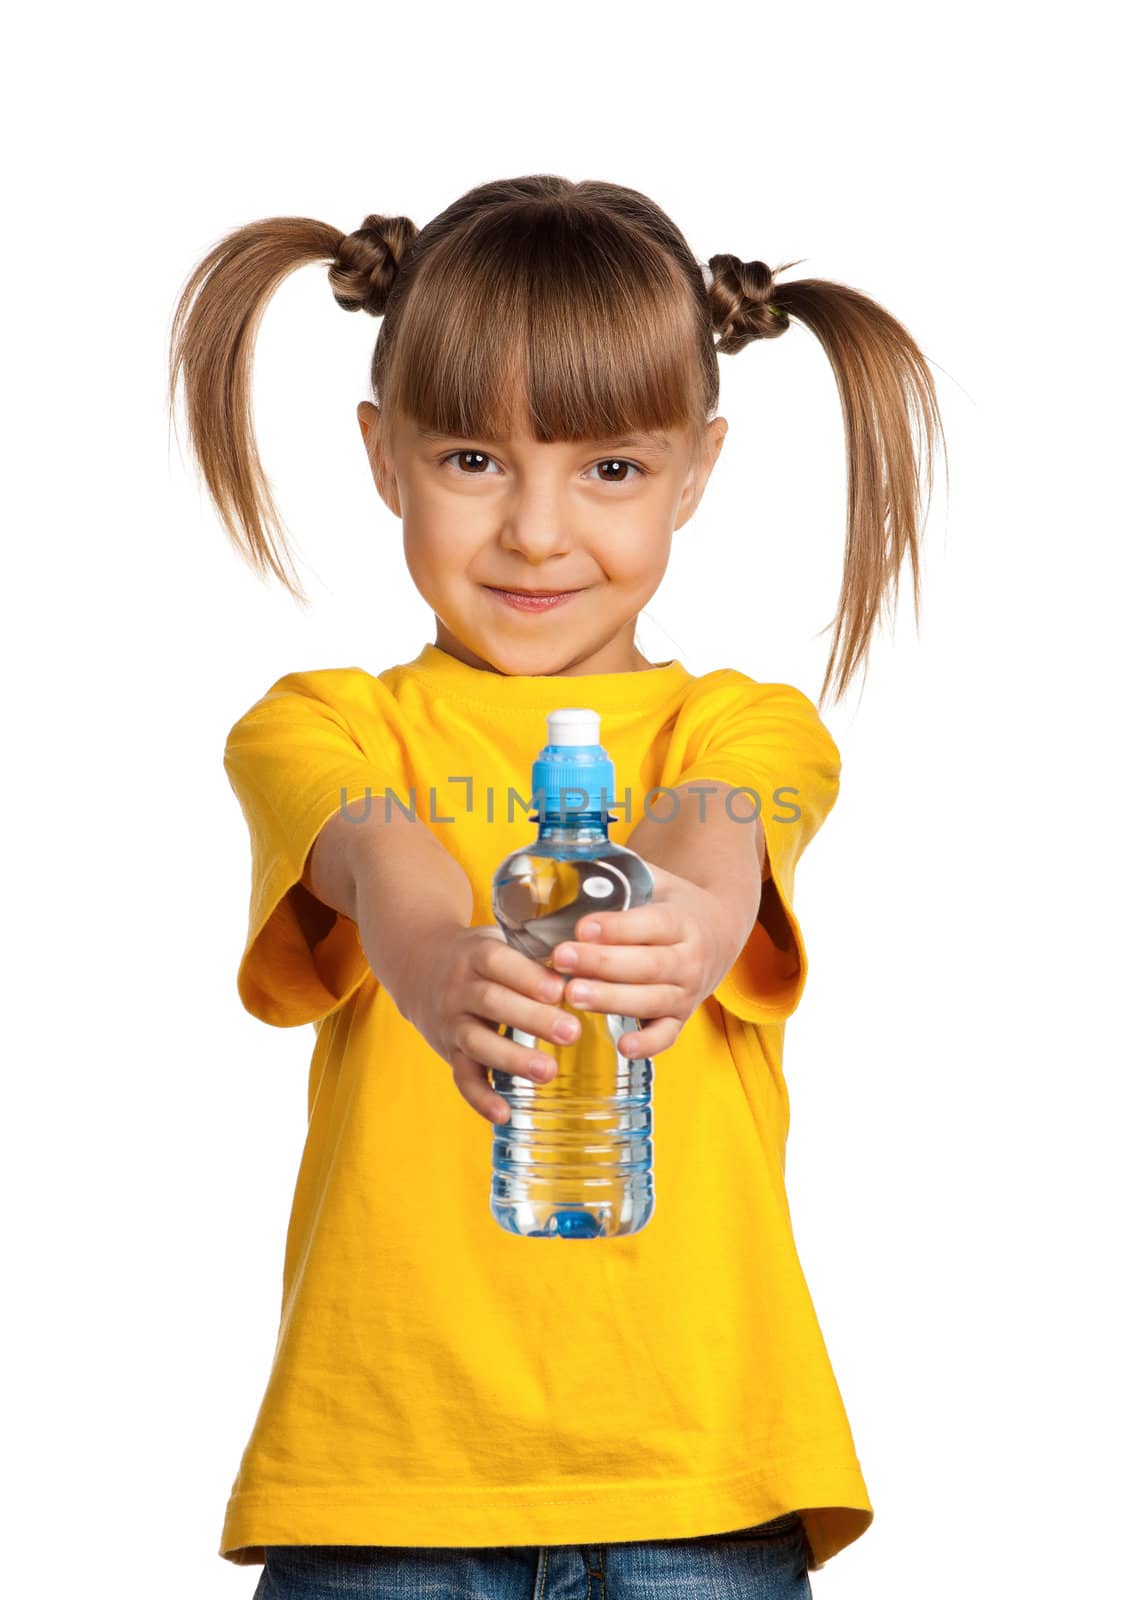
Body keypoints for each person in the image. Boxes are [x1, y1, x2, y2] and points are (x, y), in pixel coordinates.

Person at [168, 174, 945, 1599]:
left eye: (609, 469)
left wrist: (695, 921)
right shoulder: (323, 723)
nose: (534, 531)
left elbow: (725, 828)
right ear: (382, 455)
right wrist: (427, 947)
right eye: (472, 461)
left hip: (698, 1477)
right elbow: (375, 849)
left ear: (697, 470)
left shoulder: (741, 727)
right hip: (384, 1490)